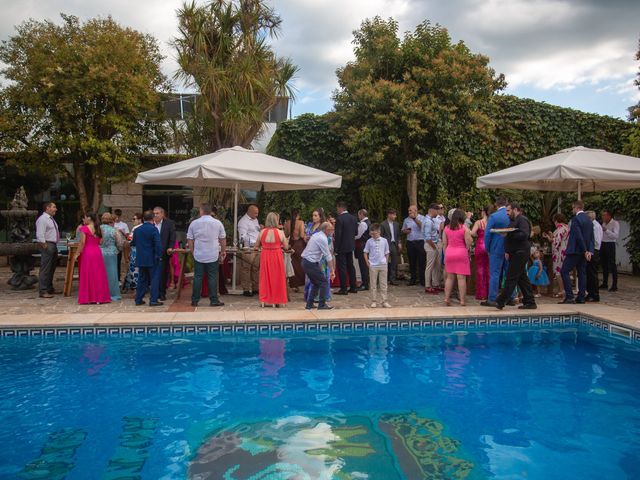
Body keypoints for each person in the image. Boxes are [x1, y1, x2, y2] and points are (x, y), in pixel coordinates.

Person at [496, 202, 537, 310]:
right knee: (522, 278)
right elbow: (509, 236)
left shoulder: (522, 220)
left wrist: (509, 234)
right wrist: (507, 251)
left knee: (511, 277)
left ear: (515, 210)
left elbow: (524, 234)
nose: (507, 213)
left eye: (508, 211)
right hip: (515, 253)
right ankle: (530, 301)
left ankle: (500, 301)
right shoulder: (513, 221)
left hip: (521, 252)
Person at [187, 203, 226, 307]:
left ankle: (194, 300)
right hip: (212, 253)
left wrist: (192, 251)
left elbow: (190, 239)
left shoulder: (194, 223)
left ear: (201, 211)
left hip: (198, 253)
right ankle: (214, 300)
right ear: (211, 211)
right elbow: (222, 239)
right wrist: (223, 251)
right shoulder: (218, 223)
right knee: (212, 277)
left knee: (198, 277)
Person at [559, 200, 594, 304]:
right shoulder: (589, 220)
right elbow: (592, 237)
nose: (572, 210)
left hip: (575, 250)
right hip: (585, 251)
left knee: (564, 271)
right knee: (582, 273)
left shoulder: (576, 219)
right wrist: (589, 251)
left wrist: (584, 250)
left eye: (573, 208)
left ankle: (569, 296)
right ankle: (581, 297)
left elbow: (578, 236)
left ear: (577, 208)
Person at [255, 212, 289, 307]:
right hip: (277, 255)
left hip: (265, 255)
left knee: (265, 277)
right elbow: (286, 247)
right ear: (276, 221)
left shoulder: (262, 232)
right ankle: (277, 299)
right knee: (277, 277)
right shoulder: (280, 232)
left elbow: (256, 246)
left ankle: (264, 299)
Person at [76, 212, 111, 305]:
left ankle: (88, 298)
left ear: (89, 218)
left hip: (87, 252)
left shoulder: (84, 228)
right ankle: (99, 298)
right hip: (97, 252)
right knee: (98, 274)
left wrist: (77, 253)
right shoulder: (99, 228)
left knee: (88, 274)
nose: (84, 219)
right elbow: (101, 242)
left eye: (85, 217)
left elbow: (82, 242)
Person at [482, 196, 510, 307]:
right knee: (509, 273)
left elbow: (487, 234)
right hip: (509, 248)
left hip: (495, 248)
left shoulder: (494, 216)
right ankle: (511, 297)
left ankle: (492, 298)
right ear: (506, 203)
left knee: (495, 274)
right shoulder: (510, 215)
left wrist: (487, 247)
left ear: (496, 204)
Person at [131, 210, 163, 306]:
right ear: (153, 218)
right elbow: (158, 245)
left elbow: (133, 243)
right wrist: (159, 255)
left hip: (141, 258)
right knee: (154, 279)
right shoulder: (154, 229)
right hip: (152, 258)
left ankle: (138, 299)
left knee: (142, 279)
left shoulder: (137, 230)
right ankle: (153, 300)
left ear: (143, 219)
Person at [301, 222, 335, 310]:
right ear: (326, 230)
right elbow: (328, 256)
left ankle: (309, 304)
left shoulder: (318, 235)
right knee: (323, 282)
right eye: (331, 229)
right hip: (309, 262)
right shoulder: (322, 238)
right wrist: (332, 270)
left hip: (308, 262)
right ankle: (322, 304)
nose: (332, 231)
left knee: (316, 283)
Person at [442, 209, 472, 306]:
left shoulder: (446, 228)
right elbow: (468, 243)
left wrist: (446, 254)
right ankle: (462, 300)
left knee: (449, 278)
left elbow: (444, 243)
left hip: (449, 252)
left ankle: (446, 298)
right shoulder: (464, 228)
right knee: (461, 278)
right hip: (461, 252)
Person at [35, 202, 60, 298]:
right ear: (47, 208)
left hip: (53, 244)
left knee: (52, 268)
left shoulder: (51, 219)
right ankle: (43, 290)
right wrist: (44, 244)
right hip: (48, 244)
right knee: (45, 268)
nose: (56, 209)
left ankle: (49, 288)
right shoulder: (43, 219)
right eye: (54, 207)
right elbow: (40, 234)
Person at [543, 213, 569, 299]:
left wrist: (549, 238)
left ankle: (562, 290)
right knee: (563, 271)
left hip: (559, 252)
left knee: (558, 272)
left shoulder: (560, 229)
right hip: (565, 250)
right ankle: (562, 290)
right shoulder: (566, 227)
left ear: (556, 221)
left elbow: (556, 242)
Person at [364, 223, 391, 308]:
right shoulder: (369, 241)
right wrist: (367, 262)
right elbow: (365, 252)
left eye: (375, 233)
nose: (373, 235)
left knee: (383, 284)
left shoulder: (384, 240)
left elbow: (387, 252)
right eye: (372, 233)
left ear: (379, 231)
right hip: (373, 265)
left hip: (383, 264)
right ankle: (374, 301)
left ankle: (384, 301)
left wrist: (385, 261)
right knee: (373, 284)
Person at [334, 201, 358, 294]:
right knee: (351, 266)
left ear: (341, 208)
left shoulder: (339, 219)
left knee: (342, 267)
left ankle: (343, 288)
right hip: (351, 245)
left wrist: (336, 248)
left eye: (337, 208)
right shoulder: (353, 218)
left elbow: (338, 235)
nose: (337, 210)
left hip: (341, 247)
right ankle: (353, 287)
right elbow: (356, 232)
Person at [153, 206, 176, 302]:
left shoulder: (169, 223)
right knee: (153, 273)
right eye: (154, 213)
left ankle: (162, 293)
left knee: (163, 273)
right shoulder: (150, 224)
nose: (155, 215)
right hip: (152, 252)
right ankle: (155, 293)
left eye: (157, 213)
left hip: (164, 252)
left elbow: (172, 236)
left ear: (162, 214)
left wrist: (170, 247)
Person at [237, 204, 261, 296]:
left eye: (257, 213)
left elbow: (256, 231)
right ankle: (246, 289)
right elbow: (242, 237)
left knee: (256, 268)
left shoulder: (255, 220)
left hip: (256, 248)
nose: (257, 215)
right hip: (248, 248)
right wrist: (255, 242)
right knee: (246, 268)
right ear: (249, 212)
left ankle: (256, 288)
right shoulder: (243, 222)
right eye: (255, 213)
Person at [100, 213, 122, 302]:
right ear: (111, 220)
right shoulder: (114, 230)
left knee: (101, 273)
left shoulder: (98, 229)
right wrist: (118, 249)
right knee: (112, 273)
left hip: (100, 252)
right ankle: (113, 294)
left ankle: (101, 293)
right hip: (111, 253)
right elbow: (120, 242)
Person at [402, 205, 426, 286]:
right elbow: (403, 230)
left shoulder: (422, 218)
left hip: (420, 242)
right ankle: (413, 279)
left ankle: (422, 280)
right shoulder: (406, 220)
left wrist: (415, 219)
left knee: (421, 261)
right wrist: (405, 231)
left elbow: (422, 227)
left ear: (415, 211)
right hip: (410, 242)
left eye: (410, 210)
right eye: (408, 210)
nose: (409, 212)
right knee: (412, 262)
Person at [283, 208, 306, 291]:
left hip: (291, 244)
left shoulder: (287, 223)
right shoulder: (301, 222)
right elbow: (302, 235)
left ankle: (294, 285)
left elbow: (285, 235)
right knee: (300, 265)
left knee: (292, 265)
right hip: (299, 245)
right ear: (298, 215)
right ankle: (302, 283)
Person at [422, 203, 442, 294]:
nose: (438, 212)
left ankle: (435, 284)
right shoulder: (428, 221)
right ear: (432, 210)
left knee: (436, 265)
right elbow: (427, 237)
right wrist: (434, 247)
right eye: (437, 210)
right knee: (430, 266)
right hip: (431, 245)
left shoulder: (431, 220)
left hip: (434, 244)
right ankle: (427, 286)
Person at [470, 207, 490, 301]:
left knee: (480, 269)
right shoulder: (491, 222)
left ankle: (481, 294)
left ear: (483, 212)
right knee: (489, 269)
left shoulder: (478, 222)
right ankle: (489, 293)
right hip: (489, 246)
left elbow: (472, 233)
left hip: (480, 245)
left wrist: (477, 234)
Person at [600, 209, 619, 292]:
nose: (603, 217)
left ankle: (614, 284)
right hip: (603, 244)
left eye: (604, 215)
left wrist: (606, 230)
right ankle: (605, 283)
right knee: (604, 264)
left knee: (612, 264)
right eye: (602, 215)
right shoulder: (603, 223)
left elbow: (615, 236)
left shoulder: (615, 223)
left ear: (609, 216)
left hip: (610, 244)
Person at [380, 208, 401, 285]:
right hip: (386, 245)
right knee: (384, 262)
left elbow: (398, 235)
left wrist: (399, 243)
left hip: (394, 245)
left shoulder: (396, 224)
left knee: (394, 263)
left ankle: (392, 279)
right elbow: (381, 236)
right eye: (394, 215)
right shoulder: (383, 224)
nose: (395, 216)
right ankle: (384, 279)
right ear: (389, 215)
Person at [123, 213, 143, 293]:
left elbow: (130, 240)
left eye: (134, 219)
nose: (133, 220)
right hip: (143, 251)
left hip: (135, 251)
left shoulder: (136, 228)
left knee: (134, 270)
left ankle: (135, 288)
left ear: (140, 220)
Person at [586, 210, 603, 302]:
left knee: (592, 273)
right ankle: (591, 292)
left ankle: (594, 294)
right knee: (590, 272)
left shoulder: (595, 226)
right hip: (593, 250)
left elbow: (595, 241)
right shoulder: (594, 225)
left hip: (594, 251)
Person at [354, 209, 371, 291]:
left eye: (359, 215)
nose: (358, 216)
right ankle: (365, 283)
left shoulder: (363, 223)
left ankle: (365, 284)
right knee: (364, 265)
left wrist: (351, 237)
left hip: (362, 246)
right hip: (365, 245)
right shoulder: (368, 222)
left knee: (363, 265)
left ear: (361, 214)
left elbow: (358, 235)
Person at [113, 209, 130, 282]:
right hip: (114, 245)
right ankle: (117, 278)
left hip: (123, 244)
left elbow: (128, 236)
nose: (117, 218)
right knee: (116, 262)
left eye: (118, 217)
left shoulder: (124, 224)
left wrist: (122, 232)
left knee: (124, 261)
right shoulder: (112, 224)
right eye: (116, 216)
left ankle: (125, 277)